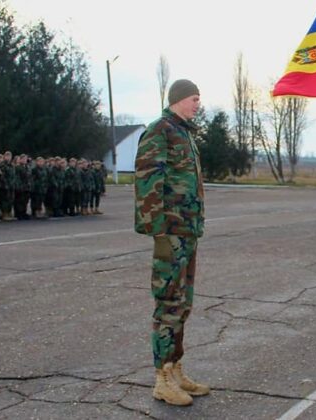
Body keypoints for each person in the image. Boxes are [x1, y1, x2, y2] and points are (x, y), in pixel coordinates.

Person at [134, 79, 208, 406]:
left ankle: (176, 369)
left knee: (183, 304)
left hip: (187, 231)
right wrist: (158, 234)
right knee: (168, 304)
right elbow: (148, 182)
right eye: (194, 98)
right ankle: (161, 379)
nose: (198, 104)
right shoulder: (160, 131)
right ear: (179, 99)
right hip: (171, 233)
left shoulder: (185, 133)